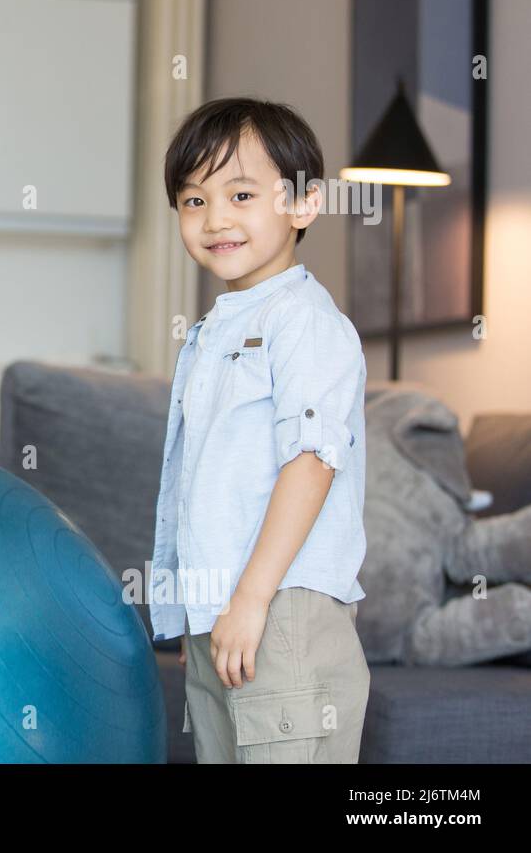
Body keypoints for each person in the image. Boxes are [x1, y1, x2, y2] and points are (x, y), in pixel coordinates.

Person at [151, 96, 371, 763]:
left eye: (240, 193)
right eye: (193, 200)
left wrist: (250, 599)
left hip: (279, 610)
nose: (214, 218)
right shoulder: (218, 327)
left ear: (303, 205)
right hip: (219, 615)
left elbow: (312, 460)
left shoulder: (302, 319)